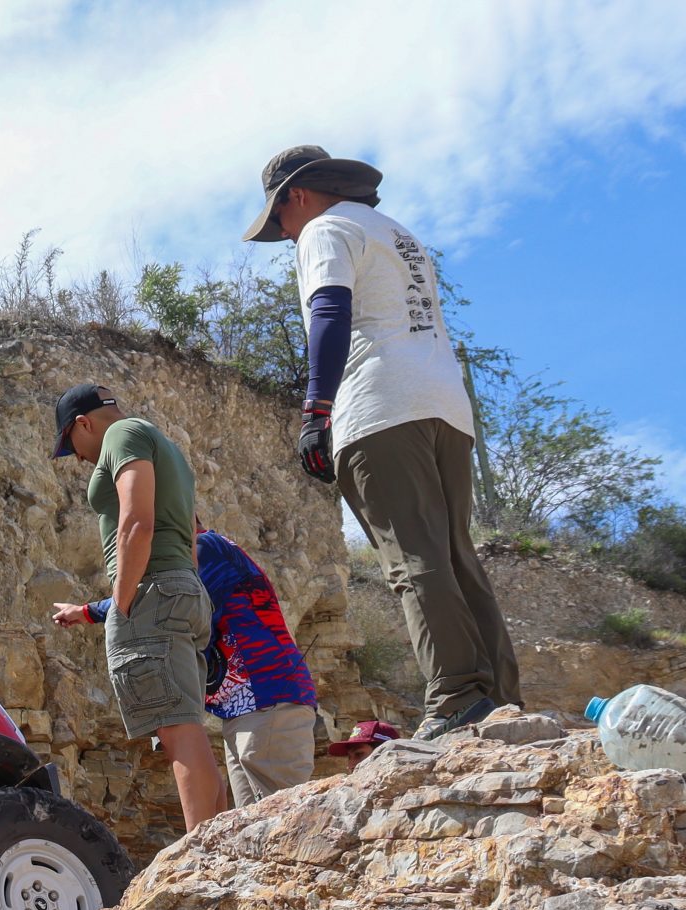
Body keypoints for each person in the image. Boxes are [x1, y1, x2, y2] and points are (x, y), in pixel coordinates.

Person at [244, 144, 519, 740]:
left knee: (413, 560)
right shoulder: (399, 235)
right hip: (446, 407)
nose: (287, 236)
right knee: (455, 556)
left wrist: (317, 409)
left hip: (379, 407)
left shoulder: (325, 229)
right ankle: (498, 697)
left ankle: (455, 697)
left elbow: (329, 309)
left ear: (297, 196)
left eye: (280, 221)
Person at [50, 382, 227, 832]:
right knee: (188, 729)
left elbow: (136, 521)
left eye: (72, 447)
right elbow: (191, 535)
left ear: (82, 424)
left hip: (151, 592)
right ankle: (223, 840)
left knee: (175, 730)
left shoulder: (122, 435)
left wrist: (124, 603)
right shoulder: (165, 447)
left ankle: (204, 854)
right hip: (184, 590)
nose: (80, 461)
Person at [55, 529, 320, 807]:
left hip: (270, 699)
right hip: (247, 709)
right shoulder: (202, 551)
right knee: (255, 823)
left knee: (287, 816)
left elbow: (157, 599)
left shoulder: (204, 548)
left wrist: (87, 612)